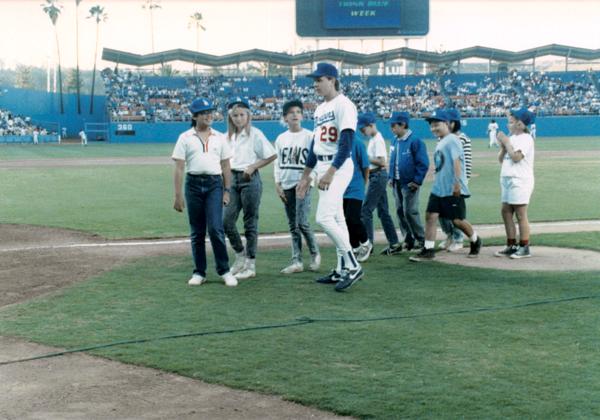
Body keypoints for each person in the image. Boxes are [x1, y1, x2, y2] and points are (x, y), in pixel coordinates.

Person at [296, 62, 363, 292]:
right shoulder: (320, 109)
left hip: (338, 165)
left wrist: (330, 172)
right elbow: (316, 144)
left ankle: (353, 266)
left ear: (332, 80)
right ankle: (341, 268)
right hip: (323, 165)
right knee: (337, 218)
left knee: (324, 218)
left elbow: (346, 144)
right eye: (314, 80)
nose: (315, 84)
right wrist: (306, 176)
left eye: (319, 80)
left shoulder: (344, 105)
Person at [172, 98, 238, 287]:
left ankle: (224, 270)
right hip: (192, 185)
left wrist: (227, 190)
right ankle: (199, 272)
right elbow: (178, 168)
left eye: (210, 111)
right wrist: (178, 196)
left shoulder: (219, 137)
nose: (209, 115)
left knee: (216, 228)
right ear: (194, 116)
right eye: (203, 113)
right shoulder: (185, 137)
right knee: (197, 231)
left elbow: (226, 165)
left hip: (214, 185)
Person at [410, 109, 482, 262]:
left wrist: (457, 183)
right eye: (432, 126)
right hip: (439, 188)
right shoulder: (442, 141)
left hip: (451, 188)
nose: (433, 128)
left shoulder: (452, 139)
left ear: (447, 124)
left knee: (457, 220)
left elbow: (457, 162)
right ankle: (428, 249)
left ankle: (475, 240)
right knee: (430, 216)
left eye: (437, 124)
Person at [223, 97, 276, 280]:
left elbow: (271, 154)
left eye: (241, 115)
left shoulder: (255, 134)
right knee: (226, 220)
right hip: (232, 180)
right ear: (230, 117)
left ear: (248, 115)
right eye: (235, 115)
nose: (238, 118)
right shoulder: (227, 137)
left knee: (250, 222)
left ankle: (250, 264)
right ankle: (240, 255)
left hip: (249, 179)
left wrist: (253, 167)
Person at [273, 99, 321, 274]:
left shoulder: (310, 136)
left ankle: (315, 253)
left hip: (303, 184)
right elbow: (277, 163)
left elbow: (317, 160)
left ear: (302, 115)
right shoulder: (281, 138)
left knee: (302, 222)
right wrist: (277, 184)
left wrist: (310, 179)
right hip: (286, 184)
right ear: (285, 117)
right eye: (291, 112)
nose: (295, 114)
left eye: (298, 112)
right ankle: (297, 261)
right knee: (293, 225)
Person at [358, 112, 402, 256]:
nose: (362, 132)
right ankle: (394, 243)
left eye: (363, 129)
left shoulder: (377, 139)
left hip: (377, 175)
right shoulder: (373, 139)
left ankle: (368, 245)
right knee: (383, 212)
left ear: (371, 125)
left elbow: (382, 161)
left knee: (365, 211)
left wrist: (366, 157)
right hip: (377, 176)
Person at [494, 108, 536, 259]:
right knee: (505, 211)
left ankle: (524, 246)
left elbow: (517, 157)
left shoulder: (526, 138)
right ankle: (511, 244)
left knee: (520, 213)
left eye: (512, 120)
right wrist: (503, 146)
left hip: (520, 179)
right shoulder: (512, 137)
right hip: (507, 178)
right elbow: (501, 159)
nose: (508, 123)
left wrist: (506, 142)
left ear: (520, 124)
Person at [387, 111, 429, 252]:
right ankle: (408, 239)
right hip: (397, 182)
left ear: (403, 124)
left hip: (409, 183)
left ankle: (421, 239)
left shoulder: (415, 141)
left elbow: (423, 163)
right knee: (400, 211)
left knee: (410, 211)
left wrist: (417, 180)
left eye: (394, 125)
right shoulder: (394, 140)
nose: (391, 128)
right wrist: (390, 177)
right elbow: (392, 161)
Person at [438, 108, 472, 252]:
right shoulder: (442, 139)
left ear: (453, 123)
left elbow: (467, 163)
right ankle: (450, 235)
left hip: (456, 182)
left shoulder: (462, 138)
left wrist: (462, 181)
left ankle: (458, 239)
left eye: (446, 122)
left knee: (454, 212)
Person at [343, 128, 371, 262]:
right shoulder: (339, 143)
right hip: (342, 188)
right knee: (345, 221)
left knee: (352, 218)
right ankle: (355, 247)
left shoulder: (358, 143)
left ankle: (366, 243)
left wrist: (363, 183)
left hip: (355, 187)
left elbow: (365, 166)